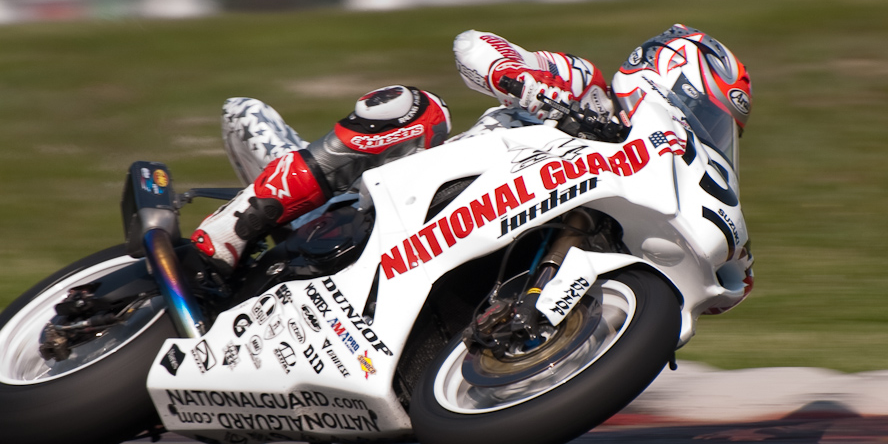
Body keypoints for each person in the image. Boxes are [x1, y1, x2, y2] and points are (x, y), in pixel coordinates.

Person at [191, 25, 751, 275]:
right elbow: (473, 45)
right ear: (665, 73)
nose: (703, 129)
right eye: (704, 111)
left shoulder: (657, 178)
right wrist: (524, 81)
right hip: (403, 199)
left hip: (475, 252)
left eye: (716, 126)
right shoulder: (584, 84)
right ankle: (232, 230)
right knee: (411, 109)